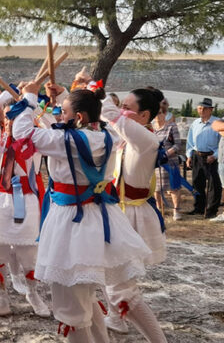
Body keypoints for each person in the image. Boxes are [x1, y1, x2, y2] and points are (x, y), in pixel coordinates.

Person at [12, 80, 151, 343]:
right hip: (100, 219)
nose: (59, 117)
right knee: (84, 296)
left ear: (78, 117)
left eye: (63, 112)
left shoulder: (67, 141)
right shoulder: (108, 135)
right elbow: (67, 127)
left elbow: (22, 132)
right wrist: (65, 97)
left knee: (70, 305)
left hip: (70, 223)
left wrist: (30, 98)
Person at [100, 88, 169, 341]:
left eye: (127, 107)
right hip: (118, 212)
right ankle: (116, 318)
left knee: (122, 287)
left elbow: (108, 113)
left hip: (132, 216)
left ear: (144, 116)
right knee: (109, 272)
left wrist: (99, 91)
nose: (121, 112)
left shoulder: (146, 140)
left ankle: (157, 339)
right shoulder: (126, 136)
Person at [185, 98, 221, 219]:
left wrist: (215, 155)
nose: (202, 110)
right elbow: (190, 141)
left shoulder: (217, 123)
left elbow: (222, 142)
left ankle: (211, 211)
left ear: (210, 110)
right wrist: (189, 155)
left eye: (205, 108)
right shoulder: (195, 123)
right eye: (200, 108)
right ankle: (199, 208)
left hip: (212, 157)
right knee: (197, 183)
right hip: (197, 156)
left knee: (213, 186)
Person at [153, 102, 183, 221]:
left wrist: (166, 154)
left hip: (170, 162)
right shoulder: (151, 128)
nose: (157, 116)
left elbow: (177, 145)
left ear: (164, 114)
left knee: (174, 187)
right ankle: (158, 208)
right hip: (156, 163)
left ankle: (176, 210)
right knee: (157, 188)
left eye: (159, 113)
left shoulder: (172, 127)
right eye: (155, 113)